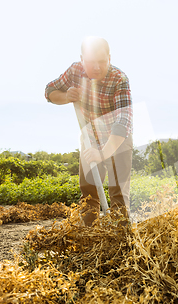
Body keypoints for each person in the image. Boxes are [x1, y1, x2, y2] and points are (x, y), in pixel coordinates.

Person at [44, 36, 133, 227]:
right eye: (91, 62)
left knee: (118, 190)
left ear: (110, 58)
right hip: (90, 135)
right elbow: (49, 91)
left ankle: (121, 237)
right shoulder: (75, 71)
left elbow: (123, 123)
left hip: (118, 139)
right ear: (82, 59)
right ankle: (90, 235)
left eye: (102, 62)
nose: (97, 67)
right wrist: (66, 96)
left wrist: (102, 154)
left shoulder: (120, 79)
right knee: (89, 189)